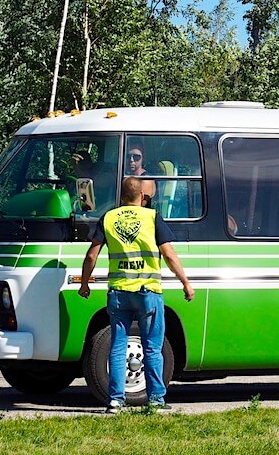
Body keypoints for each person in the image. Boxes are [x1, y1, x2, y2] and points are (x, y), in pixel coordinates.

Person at [78, 175, 193, 411]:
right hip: (147, 292)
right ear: (142, 197)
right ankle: (156, 401)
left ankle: (115, 400)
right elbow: (169, 255)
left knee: (118, 347)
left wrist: (85, 284)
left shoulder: (109, 218)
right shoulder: (152, 218)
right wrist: (185, 283)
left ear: (121, 197)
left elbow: (92, 255)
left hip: (119, 292)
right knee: (152, 347)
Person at [126, 141, 157, 207]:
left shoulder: (146, 180)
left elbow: (139, 206)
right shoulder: (126, 175)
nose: (131, 160)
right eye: (128, 156)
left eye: (136, 157)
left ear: (143, 158)